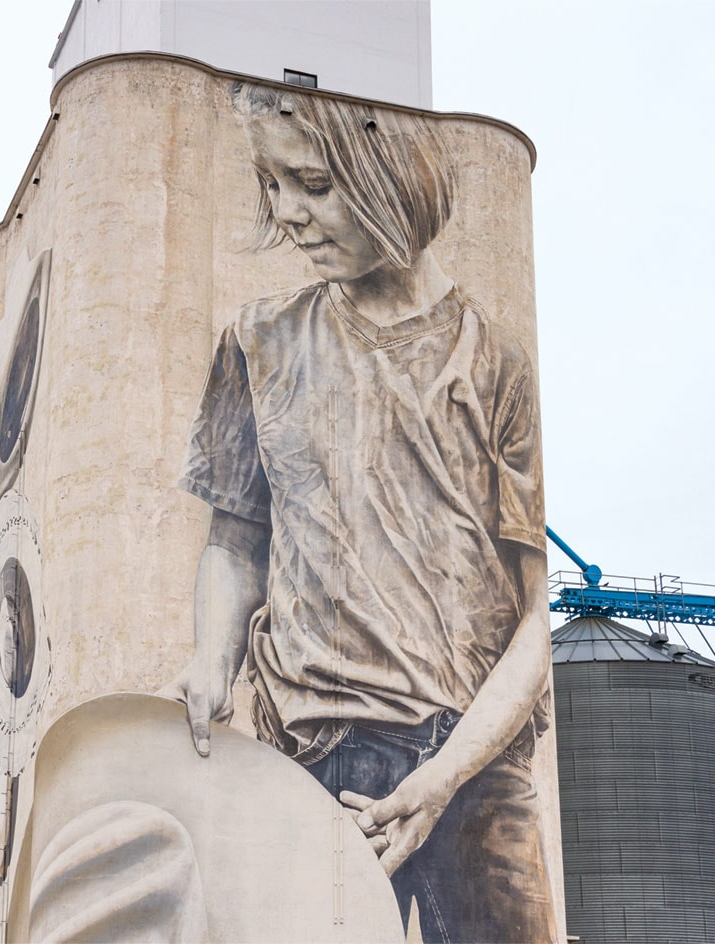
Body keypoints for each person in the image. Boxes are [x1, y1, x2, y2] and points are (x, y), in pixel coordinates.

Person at [161, 82, 554, 944]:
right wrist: (209, 659)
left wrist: (447, 777)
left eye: (312, 182)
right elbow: (235, 538)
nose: (288, 213)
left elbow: (534, 624)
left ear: (390, 175)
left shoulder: (495, 364)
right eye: (271, 186)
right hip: (314, 757)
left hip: (477, 773)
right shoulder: (257, 343)